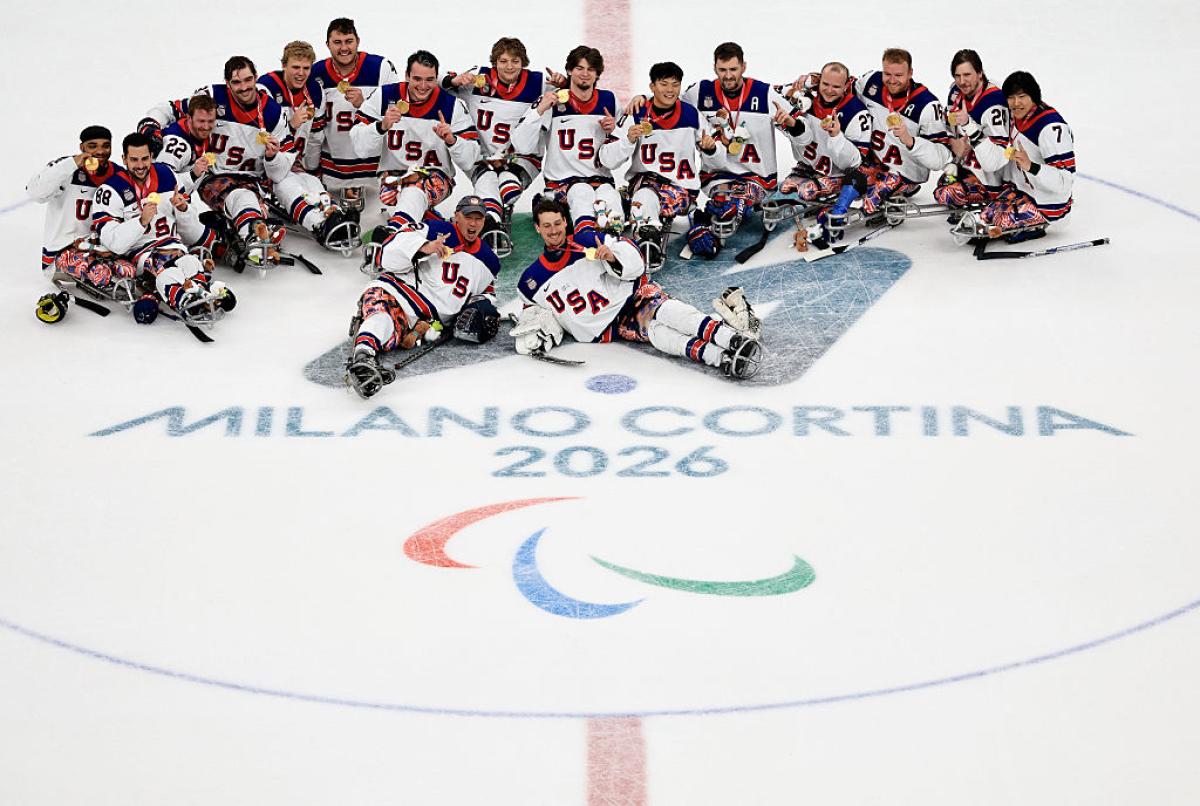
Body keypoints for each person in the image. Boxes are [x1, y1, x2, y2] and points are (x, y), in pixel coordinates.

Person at [513, 199, 763, 379]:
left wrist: (612, 257)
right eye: (546, 225)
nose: (554, 230)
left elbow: (634, 257)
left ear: (565, 221)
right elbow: (539, 317)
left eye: (557, 223)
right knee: (659, 336)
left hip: (632, 296)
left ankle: (731, 339)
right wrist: (538, 336)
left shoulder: (587, 240)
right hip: (612, 325)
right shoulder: (530, 281)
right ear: (537, 227)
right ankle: (721, 358)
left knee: (667, 312)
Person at [345, 195, 502, 398]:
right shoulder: (434, 229)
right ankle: (363, 356)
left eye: (478, 218)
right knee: (382, 316)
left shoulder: (489, 260)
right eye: (468, 217)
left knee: (397, 331)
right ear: (456, 217)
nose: (473, 223)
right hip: (398, 291)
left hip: (428, 323)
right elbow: (389, 250)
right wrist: (422, 247)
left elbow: (485, 293)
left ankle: (368, 338)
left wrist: (481, 309)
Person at [92, 133, 235, 324]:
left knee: (191, 263)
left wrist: (184, 209)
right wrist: (140, 222)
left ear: (152, 156)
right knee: (167, 274)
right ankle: (185, 299)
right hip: (143, 255)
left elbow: (188, 229)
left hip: (175, 246)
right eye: (133, 159)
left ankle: (202, 292)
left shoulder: (167, 175)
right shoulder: (110, 190)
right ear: (124, 159)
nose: (140, 165)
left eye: (145, 158)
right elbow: (113, 243)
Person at [598, 61, 722, 268]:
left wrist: (711, 149)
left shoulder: (691, 115)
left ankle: (644, 228)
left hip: (680, 189)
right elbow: (607, 159)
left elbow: (718, 158)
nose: (670, 90)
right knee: (643, 194)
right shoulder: (636, 113)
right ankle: (647, 237)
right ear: (652, 86)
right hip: (645, 183)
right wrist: (628, 140)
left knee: (642, 197)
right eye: (664, 84)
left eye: (675, 84)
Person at [443, 37, 559, 254]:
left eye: (515, 61)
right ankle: (492, 222)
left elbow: (570, 93)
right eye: (503, 61)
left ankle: (497, 210)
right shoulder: (478, 77)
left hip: (523, 156)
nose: (509, 66)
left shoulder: (539, 83)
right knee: (488, 180)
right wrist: (453, 81)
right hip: (482, 154)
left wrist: (563, 82)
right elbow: (440, 87)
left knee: (508, 183)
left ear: (523, 63)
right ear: (494, 62)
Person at [675, 42, 792, 247]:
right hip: (717, 175)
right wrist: (643, 99)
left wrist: (792, 124)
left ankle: (712, 220)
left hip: (757, 177)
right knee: (722, 206)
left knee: (733, 205)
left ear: (743, 67)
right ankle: (708, 222)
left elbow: (803, 129)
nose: (728, 75)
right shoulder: (701, 92)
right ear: (714, 68)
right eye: (722, 70)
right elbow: (669, 103)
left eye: (733, 69)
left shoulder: (763, 93)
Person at [351, 50, 480, 230]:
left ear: (437, 78)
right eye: (417, 79)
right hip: (393, 177)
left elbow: (470, 159)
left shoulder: (451, 106)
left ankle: (395, 230)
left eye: (430, 80)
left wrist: (452, 140)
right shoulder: (383, 96)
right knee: (403, 193)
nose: (423, 86)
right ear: (407, 76)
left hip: (436, 177)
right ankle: (427, 222)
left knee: (414, 186)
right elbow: (359, 147)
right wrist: (381, 125)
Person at [512, 45, 622, 245]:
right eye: (579, 68)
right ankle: (586, 238)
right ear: (569, 70)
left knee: (612, 199)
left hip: (600, 179)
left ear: (597, 74)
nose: (585, 74)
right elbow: (521, 144)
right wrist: (540, 110)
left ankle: (615, 244)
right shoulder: (551, 101)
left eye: (590, 69)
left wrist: (615, 130)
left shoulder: (609, 100)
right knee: (582, 193)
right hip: (562, 183)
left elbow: (621, 148)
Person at [29, 125, 137, 322]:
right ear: (81, 147)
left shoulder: (119, 175)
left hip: (101, 247)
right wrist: (72, 163)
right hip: (62, 252)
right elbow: (35, 192)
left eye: (106, 146)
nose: (100, 151)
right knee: (103, 275)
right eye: (92, 146)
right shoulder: (67, 170)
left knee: (130, 272)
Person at [259, 41, 358, 251]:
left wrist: (312, 167)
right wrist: (292, 125)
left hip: (293, 160)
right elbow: (260, 135)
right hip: (266, 162)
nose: (301, 73)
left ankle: (333, 214)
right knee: (288, 185)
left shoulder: (315, 90)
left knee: (311, 182)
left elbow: (315, 136)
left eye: (306, 68)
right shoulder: (266, 88)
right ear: (284, 65)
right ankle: (318, 224)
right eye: (295, 67)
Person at [955, 71, 1075, 241]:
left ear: (1034, 96)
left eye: (1022, 96)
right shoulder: (1013, 116)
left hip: (1047, 204)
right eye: (1011, 97)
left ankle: (1037, 225)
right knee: (984, 217)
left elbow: (1065, 182)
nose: (1016, 103)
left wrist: (1031, 166)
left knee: (995, 221)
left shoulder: (1050, 127)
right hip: (1022, 192)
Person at [309, 18, 399, 211]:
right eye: (337, 42)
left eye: (349, 41)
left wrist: (364, 104)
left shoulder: (380, 67)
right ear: (327, 44)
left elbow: (397, 110)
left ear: (357, 41)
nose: (344, 48)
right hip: (333, 158)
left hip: (373, 159)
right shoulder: (316, 72)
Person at [853, 48, 952, 213]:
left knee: (871, 202)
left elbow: (941, 158)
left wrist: (910, 141)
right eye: (887, 74)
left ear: (910, 72)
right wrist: (813, 81)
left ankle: (907, 187)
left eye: (898, 75)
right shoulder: (870, 82)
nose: (892, 80)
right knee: (848, 181)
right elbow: (840, 89)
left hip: (906, 172)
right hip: (875, 162)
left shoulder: (927, 105)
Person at [935, 49, 1010, 210]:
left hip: (993, 178)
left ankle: (996, 197)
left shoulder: (994, 103)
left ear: (980, 73)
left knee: (947, 194)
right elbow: (948, 124)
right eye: (957, 76)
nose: (962, 81)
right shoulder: (955, 93)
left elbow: (998, 158)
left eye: (967, 75)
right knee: (942, 187)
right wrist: (953, 141)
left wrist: (974, 138)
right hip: (970, 167)